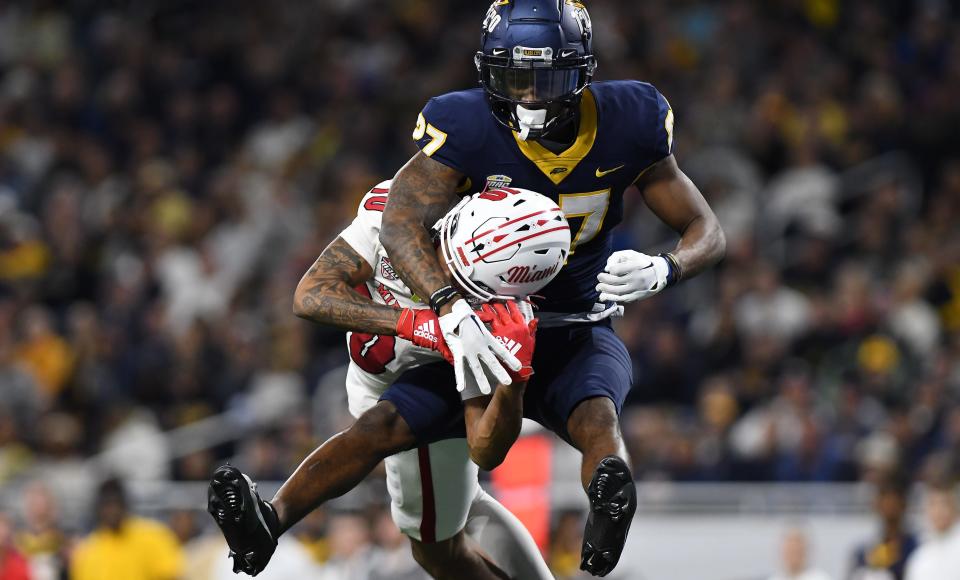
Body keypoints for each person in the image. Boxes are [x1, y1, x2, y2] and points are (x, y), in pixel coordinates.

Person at [378, 0, 725, 575]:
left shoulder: (628, 120)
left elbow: (706, 230)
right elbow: (398, 222)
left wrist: (666, 268)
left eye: (547, 78)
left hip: (573, 324)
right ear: (488, 71)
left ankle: (611, 500)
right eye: (515, 78)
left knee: (599, 421)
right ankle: (270, 516)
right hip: (481, 329)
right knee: (386, 426)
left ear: (583, 71)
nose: (531, 95)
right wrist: (450, 307)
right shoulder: (465, 126)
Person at [208, 186, 562, 579]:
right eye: (452, 265)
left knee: (431, 535)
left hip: (432, 379)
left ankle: (269, 523)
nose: (452, 282)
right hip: (373, 374)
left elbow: (486, 446)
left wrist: (514, 379)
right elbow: (310, 295)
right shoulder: (397, 211)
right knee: (458, 508)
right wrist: (415, 324)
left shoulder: (504, 311)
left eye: (471, 288)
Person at [70, 478, 184, 580]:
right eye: (106, 505)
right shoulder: (88, 550)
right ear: (98, 508)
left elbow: (171, 575)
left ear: (125, 504)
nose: (111, 510)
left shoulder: (153, 535)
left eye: (115, 503)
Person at [849, 474, 918, 580]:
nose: (889, 506)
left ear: (903, 504)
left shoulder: (915, 549)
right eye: (884, 500)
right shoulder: (865, 551)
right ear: (876, 505)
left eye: (894, 501)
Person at [904, 480, 960, 580]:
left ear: (955, 508)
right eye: (933, 504)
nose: (939, 511)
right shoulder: (920, 557)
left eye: (945, 504)